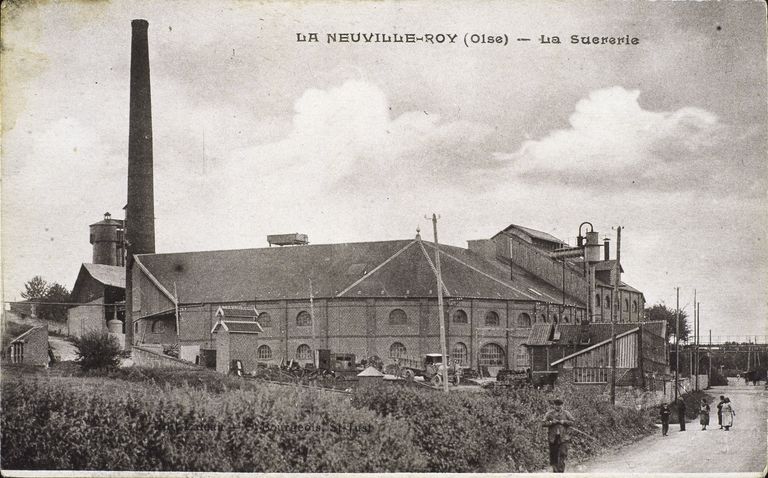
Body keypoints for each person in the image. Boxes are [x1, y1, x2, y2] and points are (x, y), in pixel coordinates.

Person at [542, 398, 575, 473]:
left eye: (560, 405)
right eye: (556, 405)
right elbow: (543, 423)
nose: (558, 407)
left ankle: (561, 472)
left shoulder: (566, 413)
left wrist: (564, 422)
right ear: (554, 405)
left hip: (564, 438)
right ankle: (555, 472)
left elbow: (573, 422)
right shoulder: (549, 414)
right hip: (553, 438)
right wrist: (551, 422)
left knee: (563, 454)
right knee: (553, 456)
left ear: (562, 405)